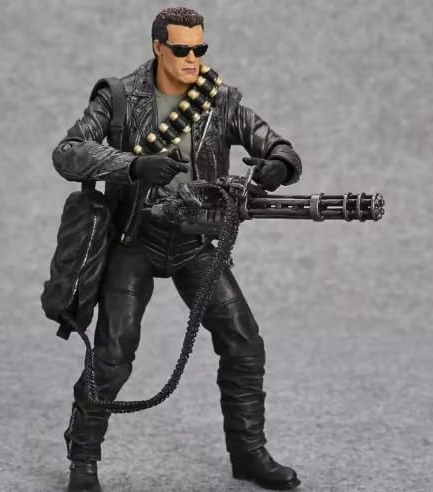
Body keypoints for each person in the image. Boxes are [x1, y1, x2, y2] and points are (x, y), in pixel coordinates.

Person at [52, 7, 303, 491]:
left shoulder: (221, 101)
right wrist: (131, 166)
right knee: (113, 353)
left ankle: (248, 453)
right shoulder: (119, 97)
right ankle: (83, 458)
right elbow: (68, 153)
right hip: (134, 238)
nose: (193, 58)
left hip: (194, 241)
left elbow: (278, 145)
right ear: (158, 47)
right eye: (183, 49)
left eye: (200, 48)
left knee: (244, 342)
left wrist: (278, 165)